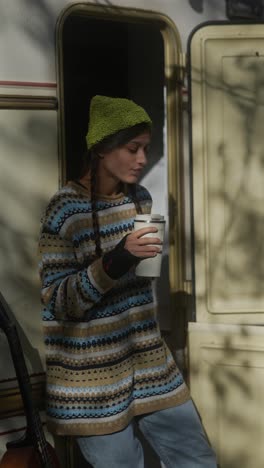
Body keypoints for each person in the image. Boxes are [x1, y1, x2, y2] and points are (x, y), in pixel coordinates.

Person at [38, 95, 217, 467]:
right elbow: (58, 302)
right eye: (133, 148)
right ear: (102, 148)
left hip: (150, 361)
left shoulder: (140, 199)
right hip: (91, 380)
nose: (142, 159)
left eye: (146, 149)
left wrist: (139, 259)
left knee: (197, 460)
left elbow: (138, 285)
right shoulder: (65, 209)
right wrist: (116, 260)